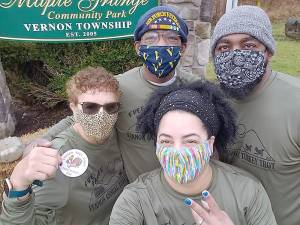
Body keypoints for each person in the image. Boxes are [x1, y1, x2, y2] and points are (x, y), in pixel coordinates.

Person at [31, 6, 200, 182]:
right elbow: (82, 115)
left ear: (183, 47)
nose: (161, 44)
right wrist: (43, 140)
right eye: (151, 38)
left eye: (171, 38)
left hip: (187, 183)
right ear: (138, 47)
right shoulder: (120, 87)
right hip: (140, 193)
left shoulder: (198, 89)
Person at [109, 81, 277, 225]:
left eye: (190, 141)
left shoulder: (248, 191)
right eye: (166, 141)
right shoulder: (135, 199)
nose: (177, 151)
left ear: (210, 144)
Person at [0, 67, 128, 225]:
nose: (101, 116)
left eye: (110, 107)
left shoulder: (119, 128)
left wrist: (46, 136)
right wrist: (18, 183)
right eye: (90, 107)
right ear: (73, 107)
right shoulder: (57, 158)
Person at [211, 5, 300, 225]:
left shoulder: (295, 102)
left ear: (268, 51)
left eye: (248, 45)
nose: (235, 54)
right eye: (224, 47)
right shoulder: (210, 99)